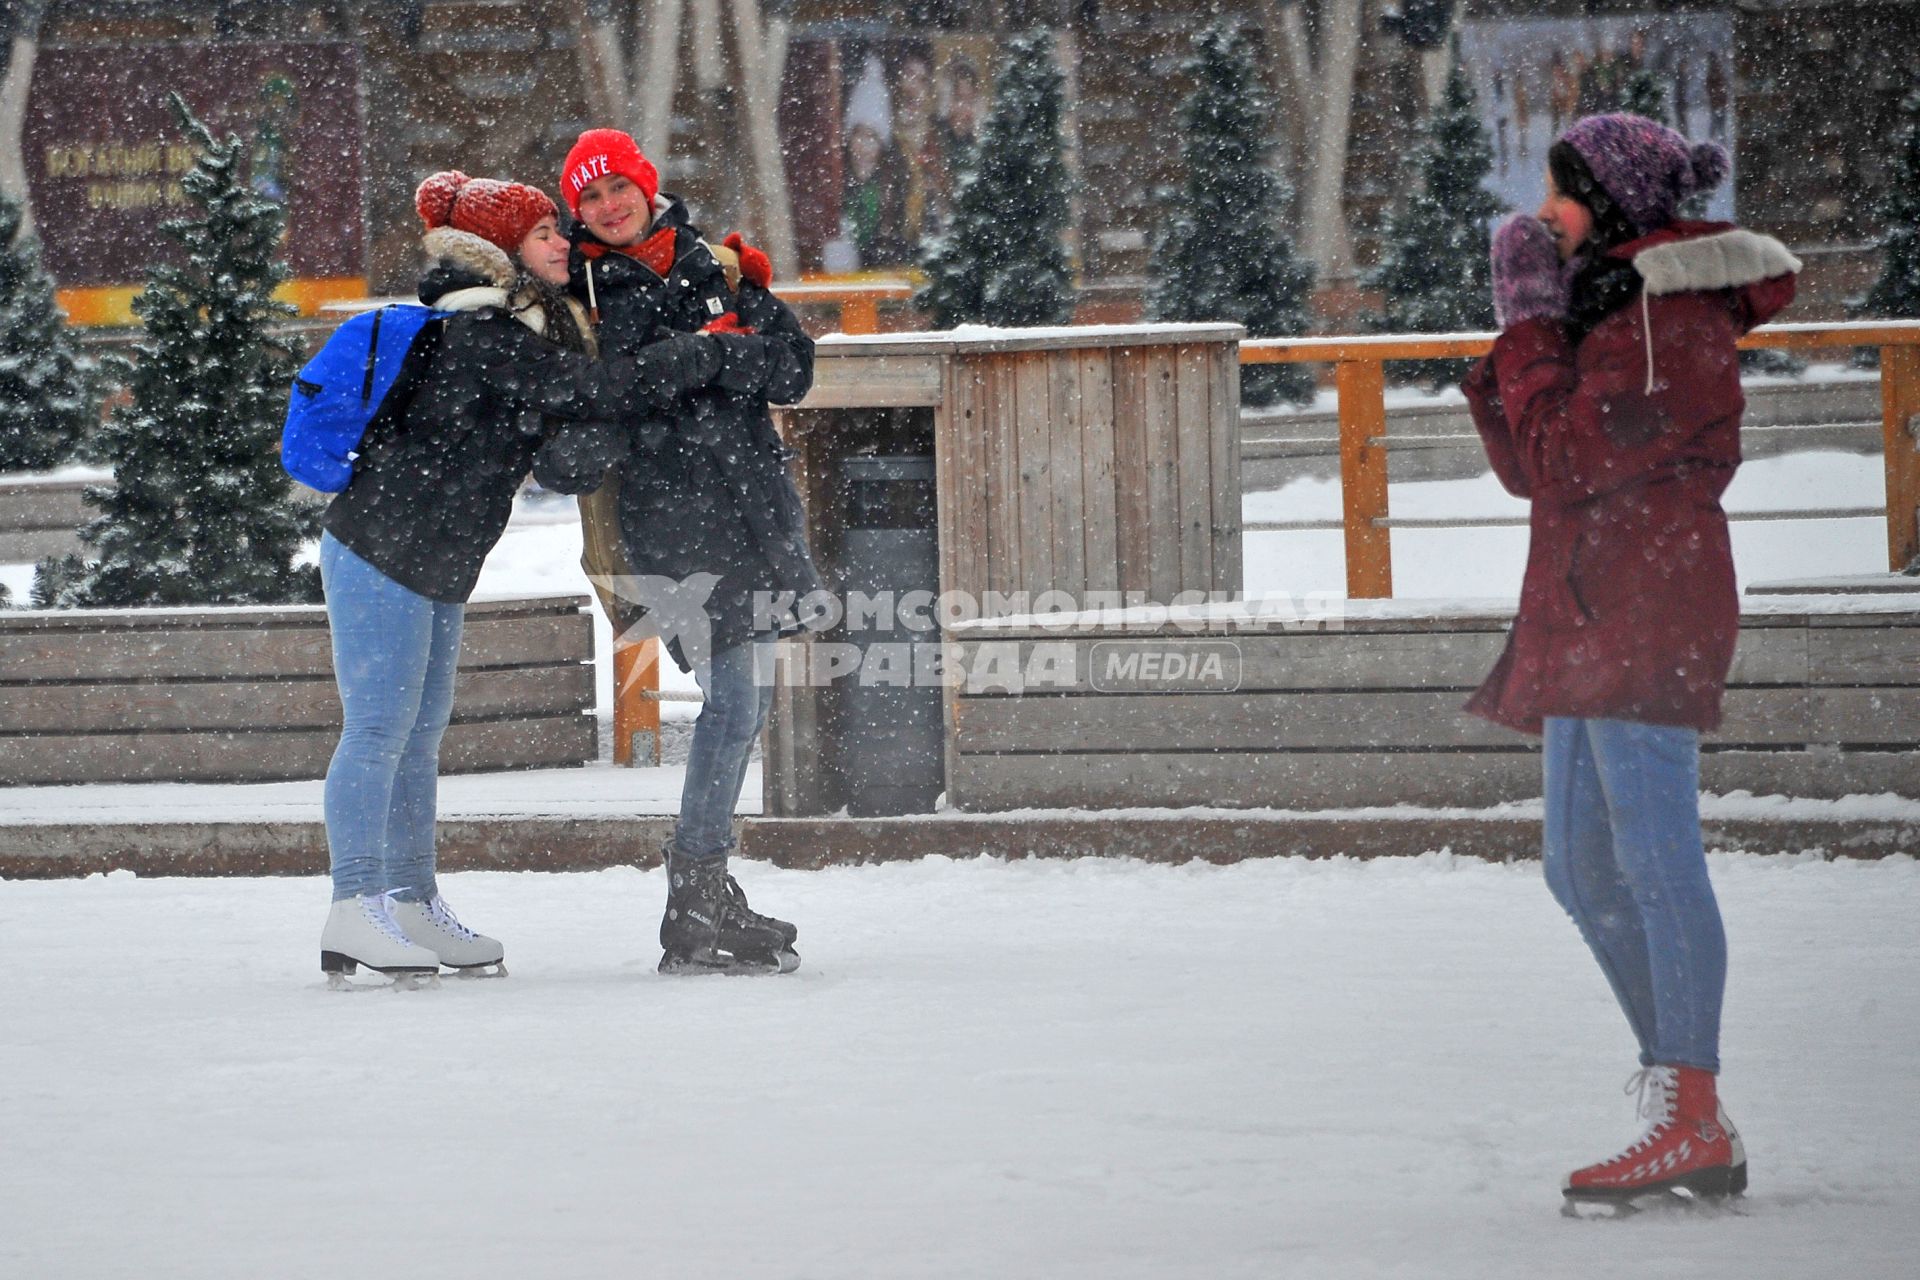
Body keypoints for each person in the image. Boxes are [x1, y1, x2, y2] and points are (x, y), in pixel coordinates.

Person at [1463, 114, 1799, 1209]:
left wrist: (1527, 329)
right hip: (1583, 606)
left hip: (1648, 604)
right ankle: (1684, 1102)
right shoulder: (1609, 304)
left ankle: (1690, 1109)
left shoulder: (1670, 313)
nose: (1545, 213)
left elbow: (1574, 450)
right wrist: (1531, 333)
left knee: (1654, 861)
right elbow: (1534, 470)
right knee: (1584, 870)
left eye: (1561, 192)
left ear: (1606, 198)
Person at [316, 171, 740, 986]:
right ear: (502, 252)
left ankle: (409, 900)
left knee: (416, 735)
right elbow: (595, 392)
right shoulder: (479, 335)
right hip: (379, 550)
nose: (561, 242)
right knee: (377, 731)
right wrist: (702, 350)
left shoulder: (517, 335)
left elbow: (564, 439)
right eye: (545, 233)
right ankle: (353, 904)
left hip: (433, 560)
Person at [558, 128, 821, 975]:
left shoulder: (717, 265)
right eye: (590, 198)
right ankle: (695, 897)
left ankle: (705, 891)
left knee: (748, 706)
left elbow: (791, 368)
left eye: (617, 189)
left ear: (646, 184)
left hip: (756, 513)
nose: (607, 207)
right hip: (671, 526)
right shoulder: (581, 293)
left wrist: (711, 355)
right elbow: (604, 396)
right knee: (735, 701)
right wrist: (701, 358)